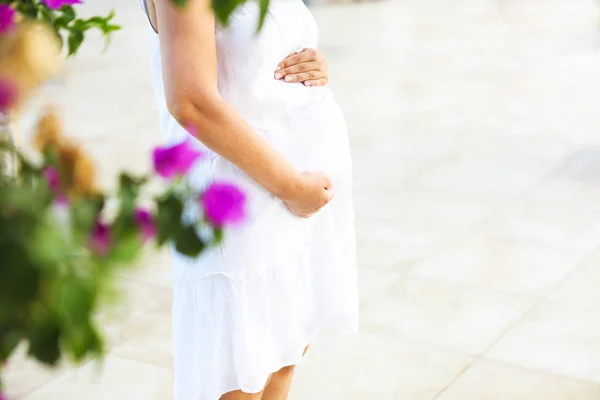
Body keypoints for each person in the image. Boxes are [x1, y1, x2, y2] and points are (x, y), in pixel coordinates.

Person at [142, 0, 357, 398]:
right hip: (239, 208)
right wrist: (293, 188)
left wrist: (310, 62)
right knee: (237, 382)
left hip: (290, 209)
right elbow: (190, 101)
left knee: (280, 366)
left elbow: (255, 49)